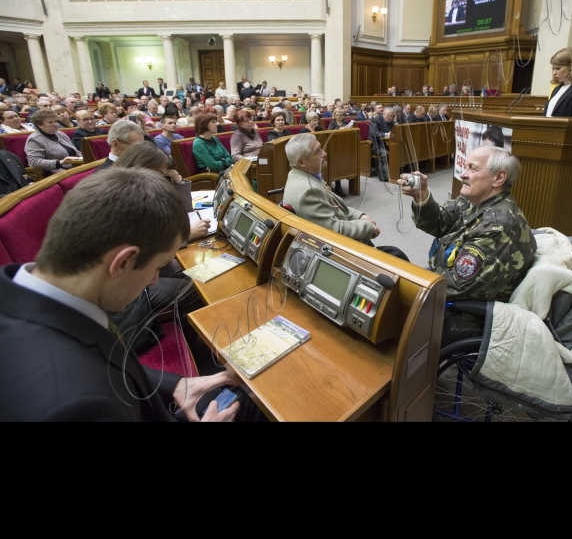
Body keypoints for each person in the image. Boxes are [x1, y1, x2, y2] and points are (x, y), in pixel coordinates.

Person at [0, 168, 241, 422]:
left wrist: (178, 385)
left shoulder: (30, 293)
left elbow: (102, 361)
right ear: (123, 262)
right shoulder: (74, 406)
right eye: (156, 268)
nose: (155, 280)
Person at [400, 145, 537, 303]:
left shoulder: (497, 227)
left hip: (463, 311)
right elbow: (439, 223)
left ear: (499, 178)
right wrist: (422, 196)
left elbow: (458, 287)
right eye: (464, 167)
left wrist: (408, 283)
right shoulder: (472, 200)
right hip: (440, 279)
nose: (463, 174)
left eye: (472, 168)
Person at [283, 135, 380, 245]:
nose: (324, 153)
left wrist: (359, 216)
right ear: (301, 163)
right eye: (317, 151)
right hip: (342, 249)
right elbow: (334, 230)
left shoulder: (304, 175)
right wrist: (367, 227)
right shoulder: (308, 191)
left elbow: (335, 206)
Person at [25, 109, 81, 175]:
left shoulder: (60, 134)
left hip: (76, 167)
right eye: (50, 122)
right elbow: (34, 162)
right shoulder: (35, 139)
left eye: (56, 121)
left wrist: (84, 159)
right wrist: (60, 162)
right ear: (40, 125)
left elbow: (76, 151)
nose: (55, 124)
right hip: (57, 173)